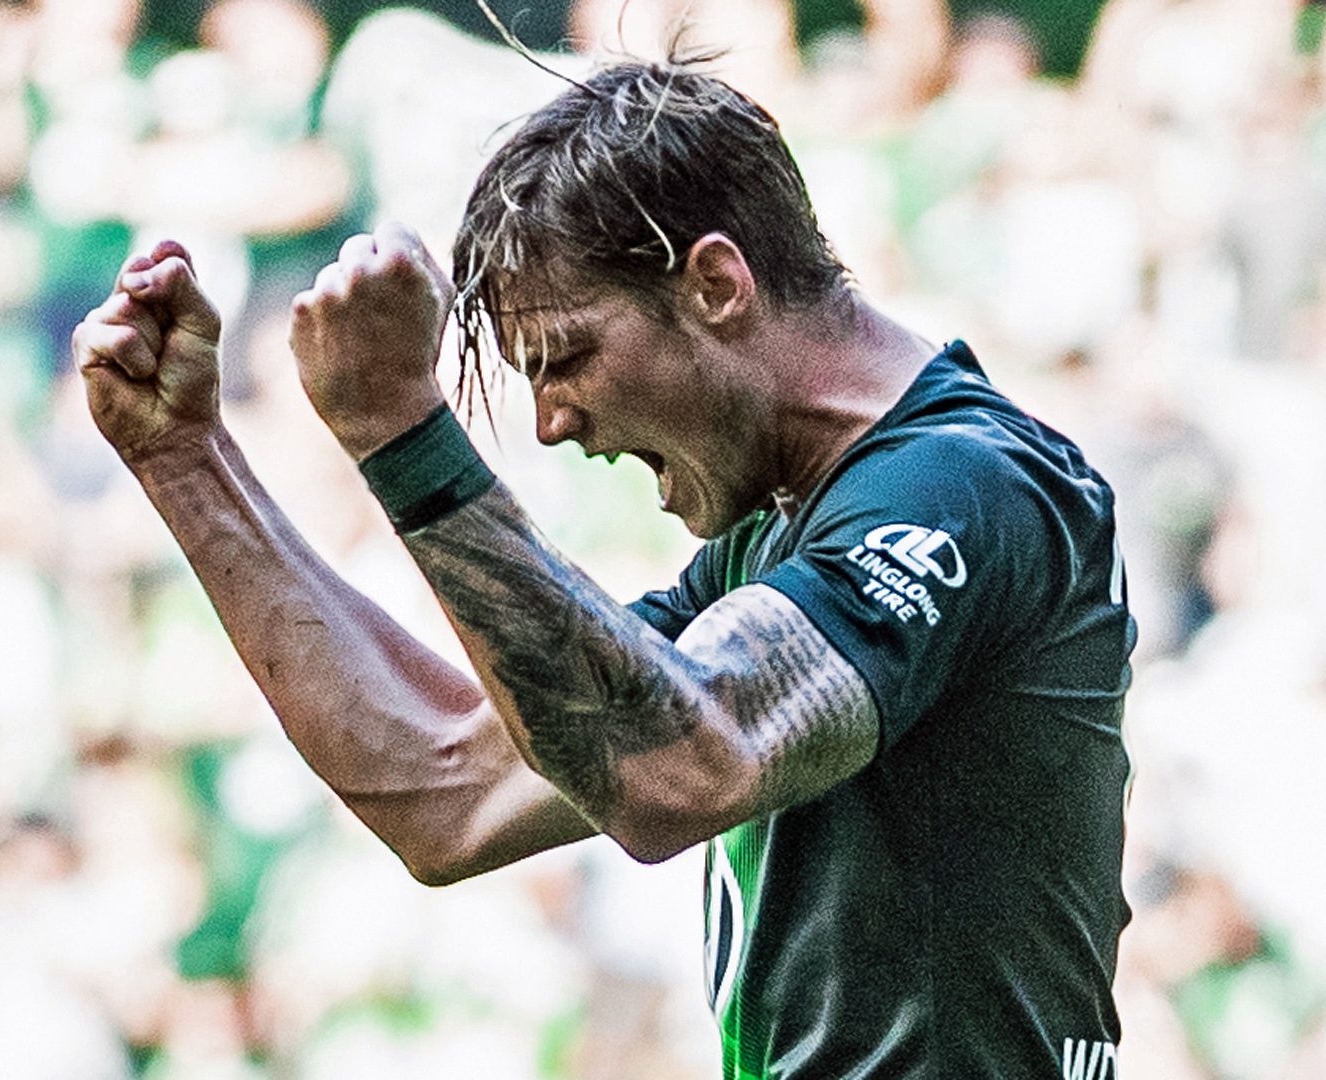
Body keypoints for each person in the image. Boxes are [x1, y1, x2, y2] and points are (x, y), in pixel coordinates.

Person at [73, 50, 1135, 1080]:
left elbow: (680, 773)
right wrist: (186, 461)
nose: (552, 423)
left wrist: (405, 438)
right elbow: (444, 790)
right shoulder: (772, 539)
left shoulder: (961, 487)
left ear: (716, 283)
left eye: (567, 358)